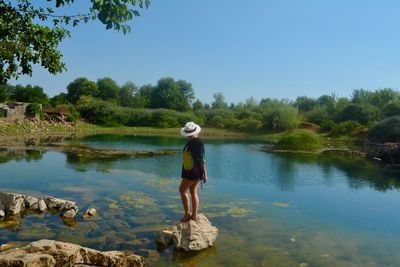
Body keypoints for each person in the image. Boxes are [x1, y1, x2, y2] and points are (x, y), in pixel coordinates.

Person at [179, 121, 208, 222]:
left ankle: (188, 213)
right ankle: (194, 215)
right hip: (193, 171)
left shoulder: (197, 142)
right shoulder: (192, 141)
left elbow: (202, 159)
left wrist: (205, 173)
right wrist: (203, 173)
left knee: (182, 190)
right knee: (193, 191)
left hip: (193, 172)